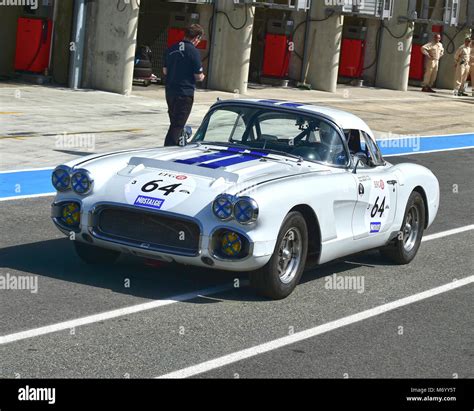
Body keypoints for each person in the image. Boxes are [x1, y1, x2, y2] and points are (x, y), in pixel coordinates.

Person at [162, 24, 205, 146]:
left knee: (175, 122)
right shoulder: (193, 52)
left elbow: (165, 71)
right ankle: (168, 149)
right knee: (177, 126)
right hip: (184, 93)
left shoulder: (171, 49)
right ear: (197, 37)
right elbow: (198, 76)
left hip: (170, 91)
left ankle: (178, 143)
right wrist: (202, 76)